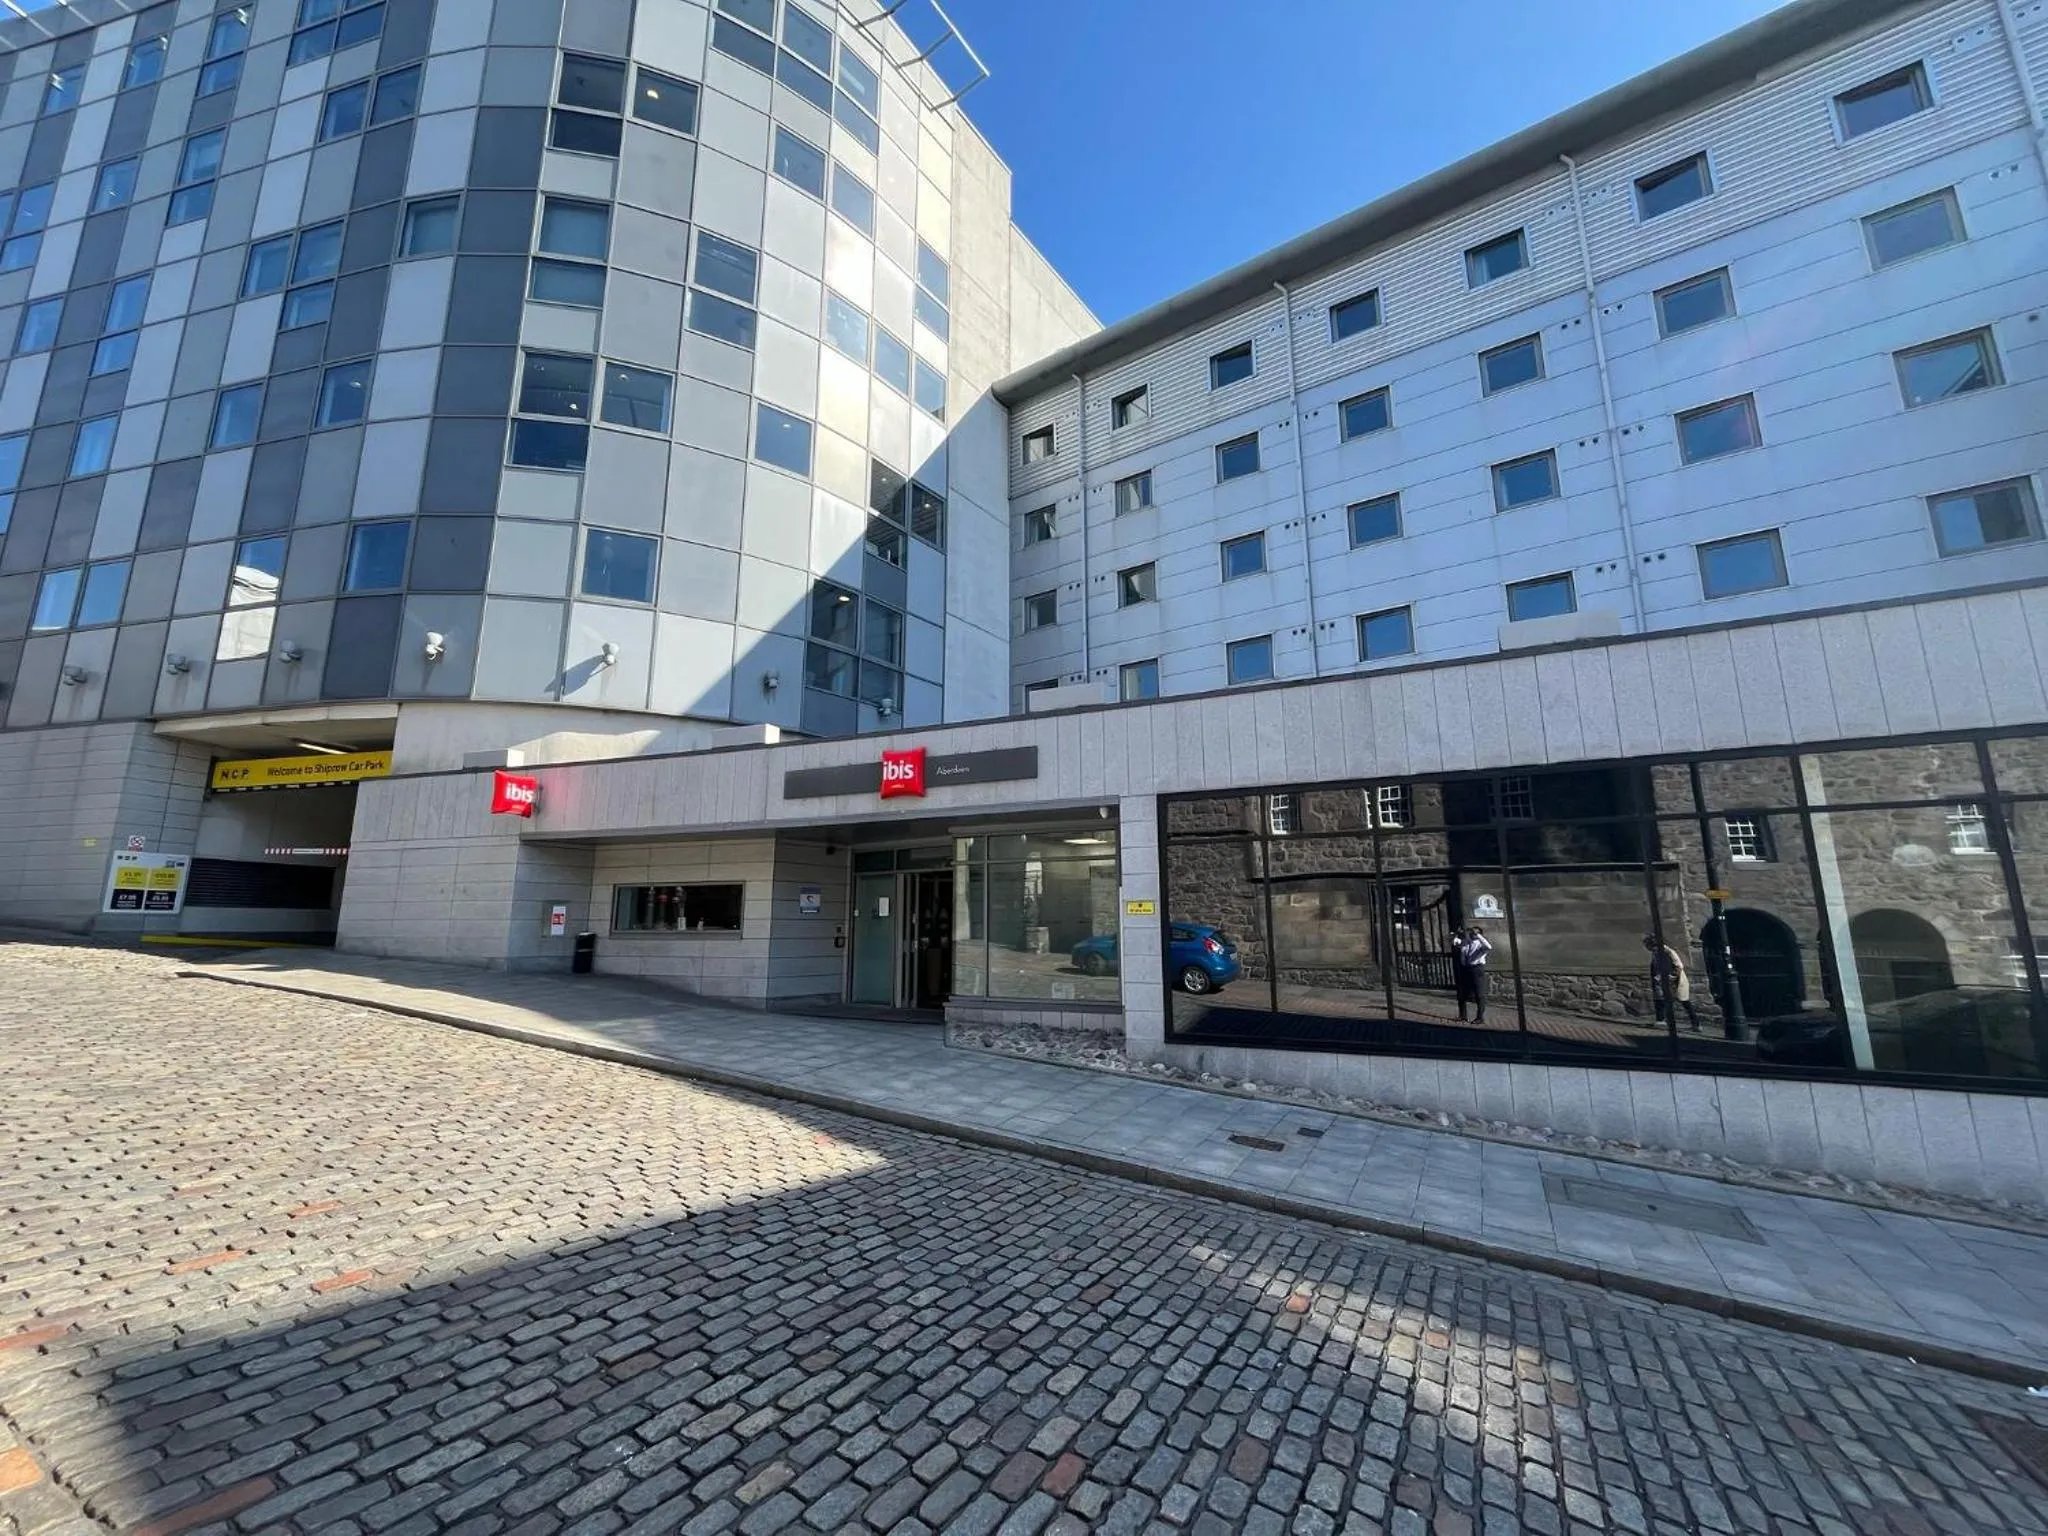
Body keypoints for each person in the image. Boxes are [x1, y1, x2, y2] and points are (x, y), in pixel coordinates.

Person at [1645, 934, 1700, 1033]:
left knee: (1684, 1001)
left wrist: (1670, 977)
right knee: (1660, 1000)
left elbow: (1678, 966)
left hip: (1675, 981)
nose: (1650, 949)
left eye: (1650, 946)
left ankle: (1696, 1024)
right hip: (1661, 981)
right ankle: (1661, 1020)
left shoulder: (1669, 952)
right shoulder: (1657, 953)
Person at [1457, 925, 1493, 1023]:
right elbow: (1455, 942)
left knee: (1479, 994)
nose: (1472, 935)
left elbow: (1489, 947)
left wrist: (1479, 936)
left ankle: (1480, 1017)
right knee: (1462, 993)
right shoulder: (1466, 942)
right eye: (1472, 933)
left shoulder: (1481, 945)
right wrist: (1457, 934)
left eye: (1474, 933)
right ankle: (1462, 1015)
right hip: (1466, 968)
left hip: (1477, 969)